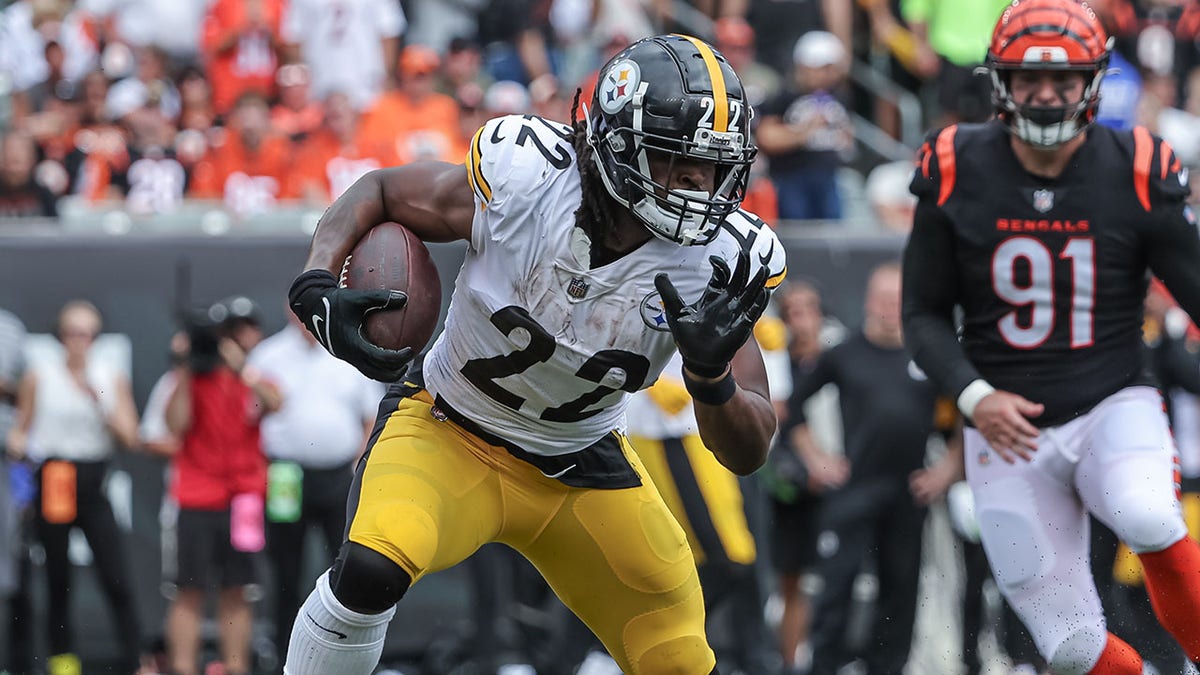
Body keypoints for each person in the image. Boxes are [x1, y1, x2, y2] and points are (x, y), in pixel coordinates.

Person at [283, 33, 787, 675]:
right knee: (372, 565)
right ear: (616, 145)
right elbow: (380, 190)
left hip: (581, 462)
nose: (699, 185)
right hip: (448, 428)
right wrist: (316, 283)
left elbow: (749, 451)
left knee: (679, 655)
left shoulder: (721, 263)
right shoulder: (528, 180)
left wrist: (712, 379)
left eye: (714, 167)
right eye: (676, 160)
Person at [900, 0, 1200, 672]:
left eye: (1063, 79)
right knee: (1068, 646)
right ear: (999, 80)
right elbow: (919, 314)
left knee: (1147, 513)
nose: (1045, 94)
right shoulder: (955, 165)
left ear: (1092, 81)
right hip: (1004, 429)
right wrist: (975, 397)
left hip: (1112, 402)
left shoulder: (1135, 164)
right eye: (1029, 78)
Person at [787, 262, 951, 675]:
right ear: (867, 300)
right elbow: (791, 411)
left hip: (909, 493)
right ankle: (823, 666)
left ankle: (887, 668)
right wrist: (817, 459)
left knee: (900, 591)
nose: (888, 308)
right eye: (881, 299)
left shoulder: (929, 355)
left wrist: (948, 471)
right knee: (836, 586)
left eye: (896, 300)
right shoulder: (843, 354)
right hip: (854, 489)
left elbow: (971, 415)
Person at [6, 300, 143, 675]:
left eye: (87, 334)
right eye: (72, 333)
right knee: (57, 575)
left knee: (114, 572)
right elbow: (23, 426)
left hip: (92, 474)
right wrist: (18, 447)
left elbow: (130, 436)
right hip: (55, 476)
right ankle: (63, 660)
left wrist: (96, 398)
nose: (79, 342)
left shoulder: (108, 376)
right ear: (61, 336)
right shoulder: (41, 375)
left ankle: (134, 660)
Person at [245, 310, 384, 662]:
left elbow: (371, 414)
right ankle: (284, 655)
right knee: (284, 568)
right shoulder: (267, 354)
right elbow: (250, 412)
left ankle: (345, 656)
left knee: (346, 564)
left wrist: (358, 465)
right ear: (289, 313)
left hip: (339, 475)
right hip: (285, 476)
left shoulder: (348, 350)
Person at [160, 301, 281, 675]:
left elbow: (276, 403)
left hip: (243, 498)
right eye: (225, 333)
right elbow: (175, 425)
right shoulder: (192, 377)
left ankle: (236, 668)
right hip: (197, 497)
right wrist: (184, 369)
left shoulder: (252, 376)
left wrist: (241, 367)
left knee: (237, 589)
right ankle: (183, 669)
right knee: (189, 591)